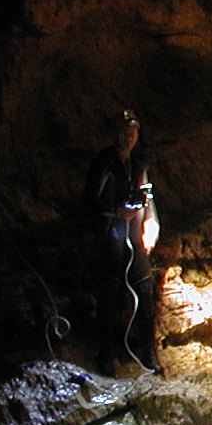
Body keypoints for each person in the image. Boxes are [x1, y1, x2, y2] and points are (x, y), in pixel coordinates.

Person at [83, 112, 162, 376]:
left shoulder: (138, 163)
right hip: (111, 231)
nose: (127, 138)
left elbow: (146, 195)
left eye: (132, 133)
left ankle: (147, 350)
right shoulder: (103, 162)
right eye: (123, 133)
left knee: (143, 288)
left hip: (135, 233)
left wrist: (152, 221)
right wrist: (115, 212)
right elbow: (91, 199)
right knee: (109, 290)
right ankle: (106, 352)